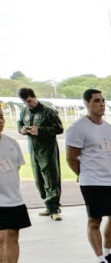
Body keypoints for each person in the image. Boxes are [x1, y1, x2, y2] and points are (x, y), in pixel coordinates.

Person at [65, 89, 111, 263]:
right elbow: (71, 157)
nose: (101, 104)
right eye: (96, 101)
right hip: (91, 181)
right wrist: (82, 174)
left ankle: (107, 253)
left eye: (103, 101)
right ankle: (100, 260)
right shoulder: (77, 128)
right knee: (95, 220)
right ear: (86, 103)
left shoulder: (108, 128)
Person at [0, 110, 35, 263]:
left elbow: (17, 168)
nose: (0, 122)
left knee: (13, 237)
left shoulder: (11, 143)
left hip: (13, 199)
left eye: (1, 118)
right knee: (1, 238)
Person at [17, 88, 63, 220]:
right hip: (33, 149)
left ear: (34, 97)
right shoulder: (24, 111)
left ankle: (54, 208)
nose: (28, 104)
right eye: (25, 102)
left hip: (47, 150)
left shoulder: (48, 111)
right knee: (38, 179)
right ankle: (48, 205)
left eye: (30, 101)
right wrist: (23, 129)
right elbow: (19, 124)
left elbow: (59, 128)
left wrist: (40, 131)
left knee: (50, 178)